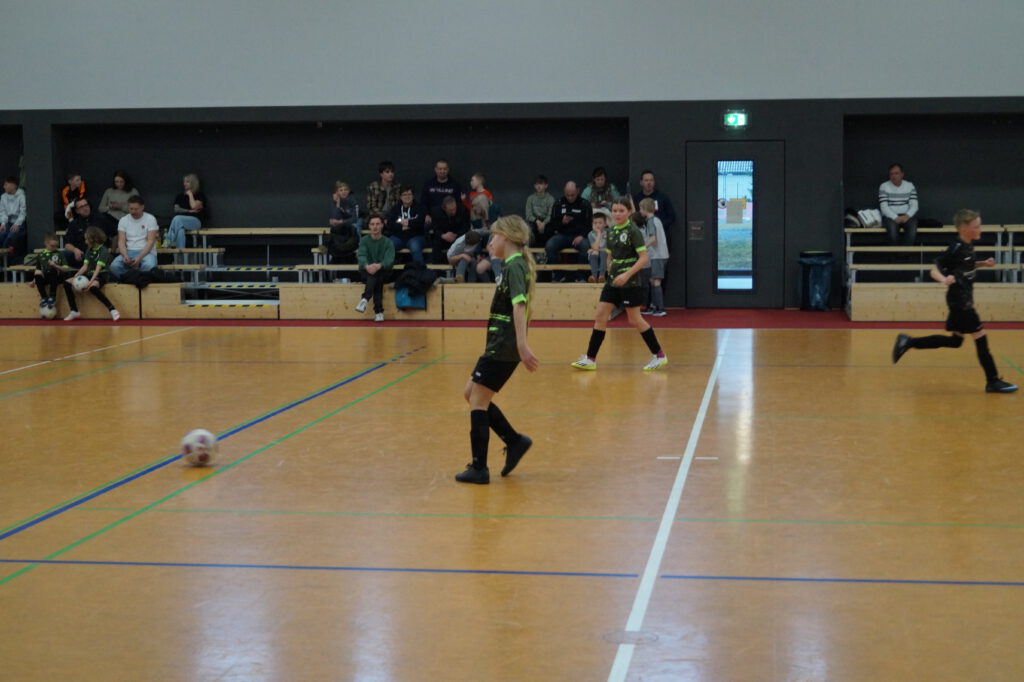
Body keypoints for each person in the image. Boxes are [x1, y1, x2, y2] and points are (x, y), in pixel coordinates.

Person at [892, 209, 1017, 393]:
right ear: (964, 228)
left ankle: (908, 342)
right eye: (976, 226)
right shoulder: (956, 247)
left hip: (961, 300)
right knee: (980, 338)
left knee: (955, 341)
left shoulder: (968, 246)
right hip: (961, 303)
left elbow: (965, 265)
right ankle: (993, 381)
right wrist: (944, 279)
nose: (980, 229)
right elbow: (934, 269)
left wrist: (983, 263)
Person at [455, 215, 539, 484]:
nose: (490, 243)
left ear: (508, 238)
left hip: (503, 346)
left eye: (494, 237)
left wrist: (522, 344)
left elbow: (520, 305)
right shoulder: (512, 264)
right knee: (470, 394)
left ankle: (479, 468)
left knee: (478, 402)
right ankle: (514, 441)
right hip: (498, 344)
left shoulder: (515, 266)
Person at [571, 197, 668, 372]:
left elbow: (644, 258)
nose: (617, 214)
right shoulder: (611, 232)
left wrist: (626, 274)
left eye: (621, 211)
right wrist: (610, 269)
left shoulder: (633, 231)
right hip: (613, 281)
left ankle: (659, 355)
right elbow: (609, 256)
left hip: (630, 282)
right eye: (614, 210)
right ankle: (590, 358)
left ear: (629, 212)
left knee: (634, 319)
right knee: (600, 315)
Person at [64, 226, 120, 321]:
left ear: (93, 239)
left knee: (92, 287)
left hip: (101, 274)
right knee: (67, 283)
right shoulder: (89, 249)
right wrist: (76, 276)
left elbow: (98, 268)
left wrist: (91, 281)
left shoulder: (103, 250)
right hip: (90, 273)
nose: (85, 241)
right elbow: (85, 266)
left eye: (86, 239)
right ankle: (74, 311)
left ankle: (113, 310)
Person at [546, 181, 592, 279]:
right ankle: (558, 275)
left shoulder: (585, 204)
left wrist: (582, 236)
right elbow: (552, 225)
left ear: (578, 191)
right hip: (562, 235)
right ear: (564, 192)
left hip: (580, 236)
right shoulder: (558, 203)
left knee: (586, 246)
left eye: (572, 195)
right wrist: (562, 222)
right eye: (568, 195)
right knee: (550, 245)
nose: (570, 197)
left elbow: (589, 225)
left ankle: (581, 277)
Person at [355, 214, 395, 323]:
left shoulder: (388, 242)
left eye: (377, 224)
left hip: (383, 270)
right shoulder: (364, 240)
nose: (375, 226)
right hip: (366, 270)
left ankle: (365, 299)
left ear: (382, 225)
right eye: (372, 224)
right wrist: (367, 266)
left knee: (376, 275)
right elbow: (361, 255)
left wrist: (378, 266)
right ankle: (378, 312)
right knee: (375, 277)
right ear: (369, 226)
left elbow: (389, 259)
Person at [109, 195, 158, 279]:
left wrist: (139, 258)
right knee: (114, 266)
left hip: (147, 252)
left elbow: (151, 241)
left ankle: (131, 278)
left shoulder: (150, 219)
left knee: (149, 265)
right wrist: (125, 256)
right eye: (131, 209)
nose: (133, 211)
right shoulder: (123, 220)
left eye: (136, 209)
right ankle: (134, 279)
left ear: (142, 207)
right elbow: (121, 241)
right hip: (129, 251)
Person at [638, 198, 669, 316]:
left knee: (656, 281)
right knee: (652, 280)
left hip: (658, 255)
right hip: (658, 255)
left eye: (641, 208)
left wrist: (642, 247)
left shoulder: (651, 221)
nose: (640, 211)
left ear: (646, 209)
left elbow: (653, 239)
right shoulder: (657, 220)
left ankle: (660, 308)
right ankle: (653, 306)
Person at [25, 233, 70, 310]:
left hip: (56, 277)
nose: (54, 248)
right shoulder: (41, 255)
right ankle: (44, 298)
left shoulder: (59, 254)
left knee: (53, 270)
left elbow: (66, 268)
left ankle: (52, 296)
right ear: (46, 243)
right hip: (45, 277)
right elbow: (38, 269)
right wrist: (33, 281)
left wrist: (56, 266)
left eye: (56, 246)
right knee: (37, 274)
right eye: (52, 246)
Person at [385, 186, 427, 265]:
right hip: (399, 237)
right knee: (388, 244)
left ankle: (420, 270)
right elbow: (390, 224)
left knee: (415, 246)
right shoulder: (395, 208)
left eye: (409, 194)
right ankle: (385, 268)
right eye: (404, 194)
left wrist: (405, 222)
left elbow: (420, 223)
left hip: (416, 236)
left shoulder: (420, 207)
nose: (407, 197)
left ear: (413, 196)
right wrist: (402, 227)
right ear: (400, 197)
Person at [879, 163, 919, 245]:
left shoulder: (910, 185)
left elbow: (915, 205)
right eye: (891, 174)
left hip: (906, 216)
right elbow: (884, 207)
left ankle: (906, 253)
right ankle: (895, 253)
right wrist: (895, 217)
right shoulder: (884, 186)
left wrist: (907, 216)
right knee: (892, 232)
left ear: (902, 174)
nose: (894, 176)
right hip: (890, 217)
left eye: (896, 173)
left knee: (912, 229)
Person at [165, 173, 208, 248]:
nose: (184, 184)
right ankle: (180, 254)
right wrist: (188, 211)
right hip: (180, 222)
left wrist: (190, 194)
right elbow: (176, 209)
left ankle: (168, 242)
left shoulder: (200, 195)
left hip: (195, 221)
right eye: (184, 181)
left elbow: (193, 206)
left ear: (193, 183)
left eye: (187, 182)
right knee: (180, 231)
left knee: (177, 218)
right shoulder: (180, 196)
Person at [633, 170, 676, 236]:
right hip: (642, 234)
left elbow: (671, 217)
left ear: (654, 182)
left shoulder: (662, 198)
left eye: (651, 180)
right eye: (646, 180)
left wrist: (659, 226)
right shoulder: (636, 199)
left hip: (661, 234)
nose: (649, 183)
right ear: (641, 182)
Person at [64, 197, 105, 267]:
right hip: (81, 256)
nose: (85, 208)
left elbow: (115, 234)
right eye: (81, 207)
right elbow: (67, 244)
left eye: (86, 205)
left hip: (98, 255)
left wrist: (112, 251)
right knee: (63, 254)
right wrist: (75, 250)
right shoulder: (73, 224)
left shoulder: (100, 219)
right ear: (77, 211)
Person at [327, 181, 361, 264]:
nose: (343, 192)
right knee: (335, 229)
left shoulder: (352, 200)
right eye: (341, 190)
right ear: (337, 192)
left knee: (355, 226)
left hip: (354, 222)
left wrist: (341, 221)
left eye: (346, 189)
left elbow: (355, 218)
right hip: (342, 224)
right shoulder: (335, 200)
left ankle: (357, 248)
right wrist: (337, 203)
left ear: (349, 191)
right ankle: (337, 251)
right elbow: (334, 218)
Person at [430, 195, 470, 265]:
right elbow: (435, 228)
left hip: (457, 236)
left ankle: (459, 263)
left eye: (454, 209)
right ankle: (437, 266)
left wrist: (456, 235)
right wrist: (443, 235)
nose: (454, 212)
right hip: (443, 236)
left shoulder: (462, 210)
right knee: (436, 242)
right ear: (444, 208)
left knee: (463, 241)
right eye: (451, 210)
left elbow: (466, 227)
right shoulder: (436, 212)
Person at [98, 170, 135, 236]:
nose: (119, 184)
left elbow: (136, 210)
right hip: (110, 218)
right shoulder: (109, 191)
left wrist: (120, 207)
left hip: (126, 219)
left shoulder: (132, 192)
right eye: (116, 182)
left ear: (126, 181)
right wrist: (110, 207)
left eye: (121, 182)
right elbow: (100, 209)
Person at [524, 174, 554, 248]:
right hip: (534, 221)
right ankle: (531, 252)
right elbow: (528, 215)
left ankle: (546, 251)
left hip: (546, 222)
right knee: (530, 230)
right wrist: (537, 221)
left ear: (546, 185)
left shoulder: (550, 199)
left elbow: (551, 215)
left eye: (541, 184)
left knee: (550, 229)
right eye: (536, 184)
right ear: (534, 186)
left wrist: (543, 223)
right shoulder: (530, 198)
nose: (538, 186)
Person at [0, 175, 27, 256]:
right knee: (1, 234)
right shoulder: (3, 197)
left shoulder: (21, 196)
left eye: (6, 184)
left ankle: (4, 255)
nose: (4, 187)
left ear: (13, 186)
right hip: (8, 222)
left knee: (11, 235)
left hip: (19, 223)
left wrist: (17, 224)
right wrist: (3, 224)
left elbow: (23, 212)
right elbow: (3, 212)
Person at [586, 208, 609, 283]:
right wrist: (599, 234)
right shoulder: (590, 234)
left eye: (600, 223)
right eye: (595, 223)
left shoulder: (608, 232)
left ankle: (602, 276)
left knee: (603, 252)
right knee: (594, 253)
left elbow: (607, 248)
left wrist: (598, 249)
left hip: (605, 253)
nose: (597, 225)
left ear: (605, 224)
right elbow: (595, 247)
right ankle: (594, 276)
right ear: (592, 224)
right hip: (596, 252)